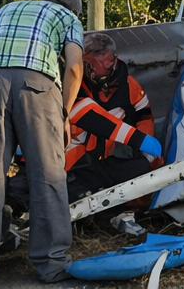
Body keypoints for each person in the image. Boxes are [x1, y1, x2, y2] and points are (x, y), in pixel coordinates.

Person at [0, 0, 85, 287]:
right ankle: (52, 265)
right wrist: (64, 113)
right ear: (73, 9)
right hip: (37, 86)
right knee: (48, 176)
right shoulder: (67, 17)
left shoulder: (4, 10)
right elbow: (75, 68)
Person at [65, 32, 164, 202]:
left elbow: (143, 115)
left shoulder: (128, 86)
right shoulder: (73, 87)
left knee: (142, 167)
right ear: (85, 64)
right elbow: (95, 119)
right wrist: (139, 139)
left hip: (102, 164)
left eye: (110, 61)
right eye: (99, 64)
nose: (109, 66)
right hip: (70, 169)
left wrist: (146, 152)